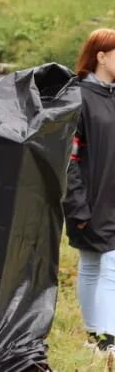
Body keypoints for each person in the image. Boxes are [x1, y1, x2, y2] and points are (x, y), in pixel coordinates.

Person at [64, 28, 115, 353]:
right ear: (101, 55)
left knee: (94, 264)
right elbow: (67, 159)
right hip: (91, 202)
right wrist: (77, 206)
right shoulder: (78, 97)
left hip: (112, 200)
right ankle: (107, 339)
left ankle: (93, 336)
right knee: (109, 264)